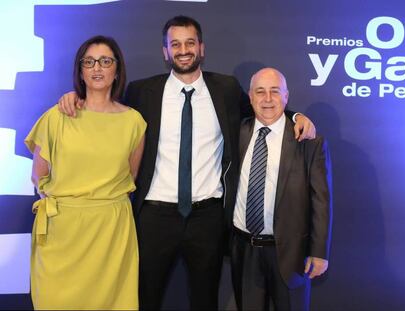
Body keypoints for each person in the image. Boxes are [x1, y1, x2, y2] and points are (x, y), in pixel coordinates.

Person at [57, 16, 316, 310]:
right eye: (175, 44)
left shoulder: (226, 89)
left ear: (201, 48)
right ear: (165, 51)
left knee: (205, 300)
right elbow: (106, 110)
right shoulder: (142, 92)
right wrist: (75, 98)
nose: (183, 50)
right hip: (154, 217)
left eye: (190, 42)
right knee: (144, 298)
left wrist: (295, 116)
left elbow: (264, 107)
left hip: (208, 218)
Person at [25, 35, 146, 310]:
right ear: (80, 70)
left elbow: (130, 175)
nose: (97, 68)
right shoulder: (57, 116)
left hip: (111, 233)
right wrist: (68, 206)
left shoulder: (134, 122)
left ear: (117, 70)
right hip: (62, 233)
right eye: (89, 62)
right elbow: (38, 175)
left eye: (105, 61)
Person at [231, 68, 332, 311]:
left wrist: (319, 252)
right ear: (250, 97)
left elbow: (321, 200)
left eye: (275, 92)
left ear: (286, 96)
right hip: (245, 250)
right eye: (260, 92)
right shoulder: (236, 132)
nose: (267, 99)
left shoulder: (309, 141)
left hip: (291, 254)